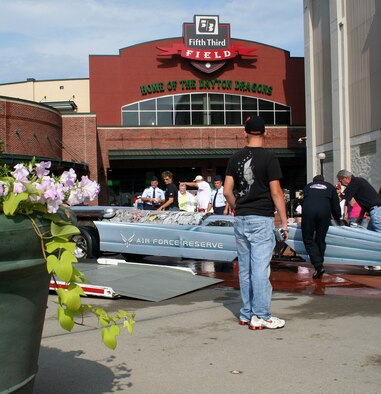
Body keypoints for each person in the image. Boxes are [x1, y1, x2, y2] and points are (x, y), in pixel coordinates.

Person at [223, 115, 288, 330]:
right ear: (265, 132)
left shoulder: (235, 157)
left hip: (241, 217)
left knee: (245, 268)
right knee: (260, 268)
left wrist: (236, 207)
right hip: (261, 218)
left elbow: (226, 191)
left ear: (245, 132)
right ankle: (261, 315)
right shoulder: (269, 158)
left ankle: (247, 313)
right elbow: (276, 192)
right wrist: (284, 222)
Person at [301, 175, 341, 279]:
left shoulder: (307, 187)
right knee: (320, 238)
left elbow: (303, 201)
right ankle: (320, 264)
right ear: (323, 181)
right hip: (324, 212)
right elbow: (335, 205)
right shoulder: (330, 187)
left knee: (308, 239)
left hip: (309, 212)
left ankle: (318, 266)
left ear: (313, 181)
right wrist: (337, 217)